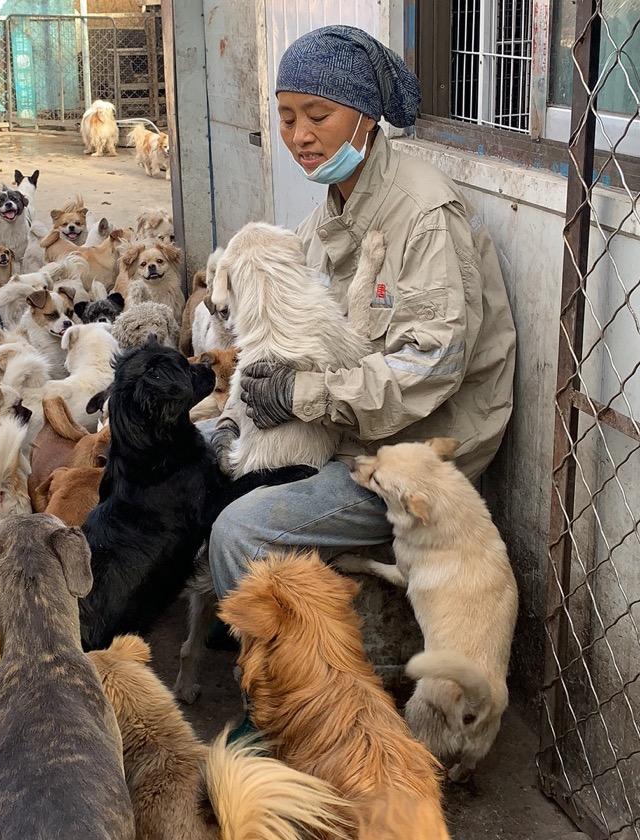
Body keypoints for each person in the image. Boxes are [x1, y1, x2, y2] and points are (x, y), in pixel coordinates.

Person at [207, 25, 516, 599]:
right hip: (345, 432)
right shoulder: (332, 210)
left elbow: (430, 368)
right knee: (193, 452)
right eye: (286, 115)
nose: (298, 135)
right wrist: (235, 409)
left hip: (413, 455)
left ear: (367, 118)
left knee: (237, 530)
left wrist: (303, 395)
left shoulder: (423, 214)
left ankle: (269, 684)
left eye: (317, 115)